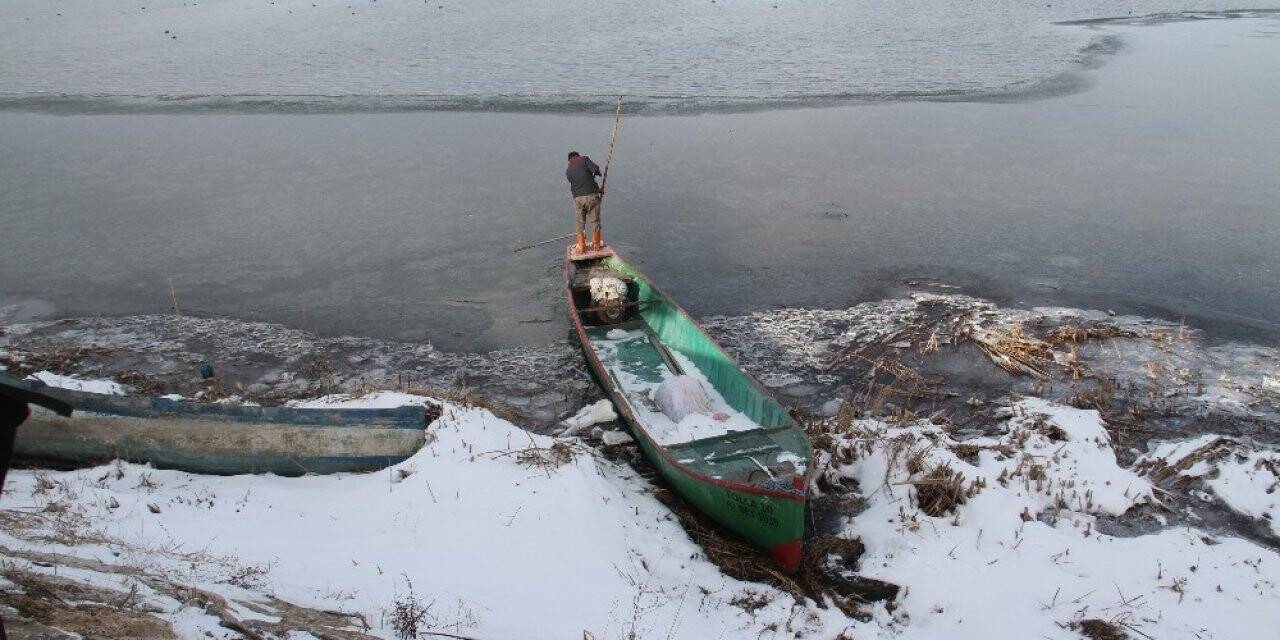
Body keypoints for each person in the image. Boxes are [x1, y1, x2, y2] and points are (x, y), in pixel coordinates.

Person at [565, 151, 604, 253]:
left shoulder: (568, 170)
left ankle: (581, 248)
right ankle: (596, 246)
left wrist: (597, 188)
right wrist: (598, 173)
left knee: (580, 223)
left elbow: (582, 182)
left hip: (578, 199)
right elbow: (595, 169)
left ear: (569, 160)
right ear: (578, 156)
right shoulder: (584, 159)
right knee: (595, 221)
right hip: (592, 197)